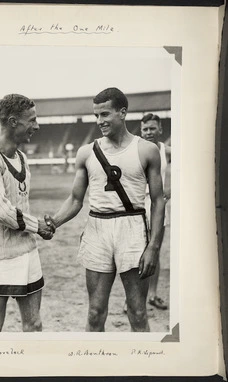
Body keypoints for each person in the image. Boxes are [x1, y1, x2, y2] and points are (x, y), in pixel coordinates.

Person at [45, 88, 165, 332]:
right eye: (96, 115)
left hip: (132, 228)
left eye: (105, 114)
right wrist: (55, 222)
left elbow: (158, 200)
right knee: (95, 312)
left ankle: (144, 367)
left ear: (122, 113)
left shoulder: (146, 150)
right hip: (97, 229)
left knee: (138, 313)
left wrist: (153, 246)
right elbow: (76, 199)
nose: (99, 121)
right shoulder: (86, 152)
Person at [0, 94, 55, 332]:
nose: (36, 126)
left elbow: (20, 205)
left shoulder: (22, 157)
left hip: (27, 253)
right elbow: (0, 211)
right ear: (12, 122)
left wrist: (38, 227)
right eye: (32, 120)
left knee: (34, 324)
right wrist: (38, 226)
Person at [140, 113, 171, 310]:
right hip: (138, 206)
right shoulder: (135, 149)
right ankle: (134, 298)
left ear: (160, 130)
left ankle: (152, 295)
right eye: (145, 129)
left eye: (152, 128)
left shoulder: (167, 151)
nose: (149, 132)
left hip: (158, 205)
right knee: (138, 252)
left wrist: (170, 191)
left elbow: (192, 169)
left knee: (155, 250)